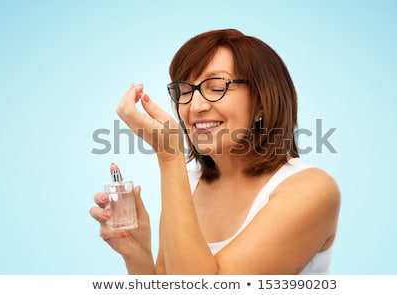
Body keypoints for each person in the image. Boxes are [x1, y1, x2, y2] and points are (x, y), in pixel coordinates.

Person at [89, 29, 340, 274]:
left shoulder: (312, 189)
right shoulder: (189, 182)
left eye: (217, 86)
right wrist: (138, 254)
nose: (196, 106)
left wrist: (169, 156)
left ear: (261, 103)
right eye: (185, 90)